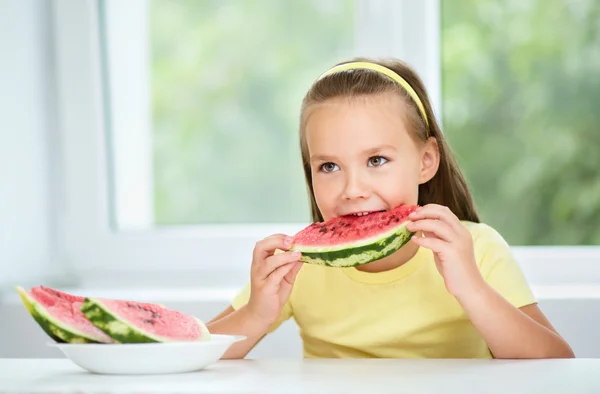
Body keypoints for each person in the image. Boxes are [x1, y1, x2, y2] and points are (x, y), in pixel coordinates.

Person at [207, 58, 574, 359]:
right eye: (329, 167)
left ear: (426, 160)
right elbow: (196, 352)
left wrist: (473, 289)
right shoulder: (302, 266)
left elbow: (557, 364)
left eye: (377, 160)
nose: (353, 190)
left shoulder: (476, 250)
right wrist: (256, 313)